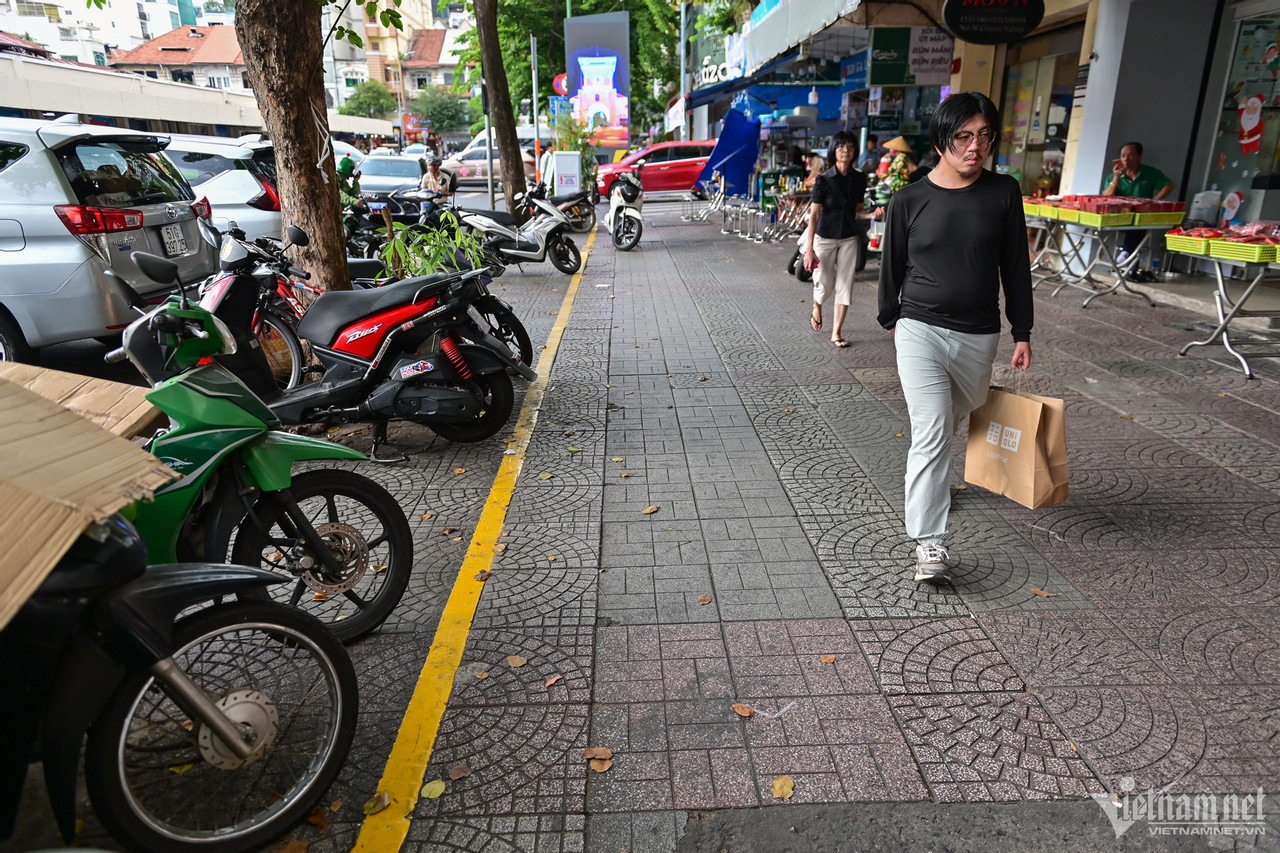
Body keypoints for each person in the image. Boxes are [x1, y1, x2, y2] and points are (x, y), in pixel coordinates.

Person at [877, 91, 1033, 584]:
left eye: (984, 136)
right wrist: (893, 321)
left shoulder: (1004, 193)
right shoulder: (909, 199)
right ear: (942, 139)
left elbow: (1015, 267)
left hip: (978, 334)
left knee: (957, 414)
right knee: (932, 428)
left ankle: (933, 482)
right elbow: (891, 265)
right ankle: (930, 544)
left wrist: (1022, 330)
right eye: (964, 136)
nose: (975, 146)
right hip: (919, 326)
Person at [802, 130, 868, 348]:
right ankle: (817, 306)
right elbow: (814, 216)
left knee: (845, 285)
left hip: (849, 237)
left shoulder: (860, 179)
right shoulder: (823, 180)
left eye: (850, 146)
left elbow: (857, 210)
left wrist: (870, 215)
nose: (845, 150)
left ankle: (837, 333)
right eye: (841, 146)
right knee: (825, 284)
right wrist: (809, 248)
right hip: (825, 237)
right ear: (834, 150)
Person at [1101, 141, 1174, 280]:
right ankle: (1127, 257)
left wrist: (1155, 201)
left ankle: (1128, 264)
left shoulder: (1150, 173)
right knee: (1136, 228)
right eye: (1123, 156)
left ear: (1140, 156)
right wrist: (1117, 177)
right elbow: (1106, 197)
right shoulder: (1113, 177)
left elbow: (1169, 185)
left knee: (1139, 226)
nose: (1126, 159)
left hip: (1142, 216)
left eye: (1130, 155)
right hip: (1118, 216)